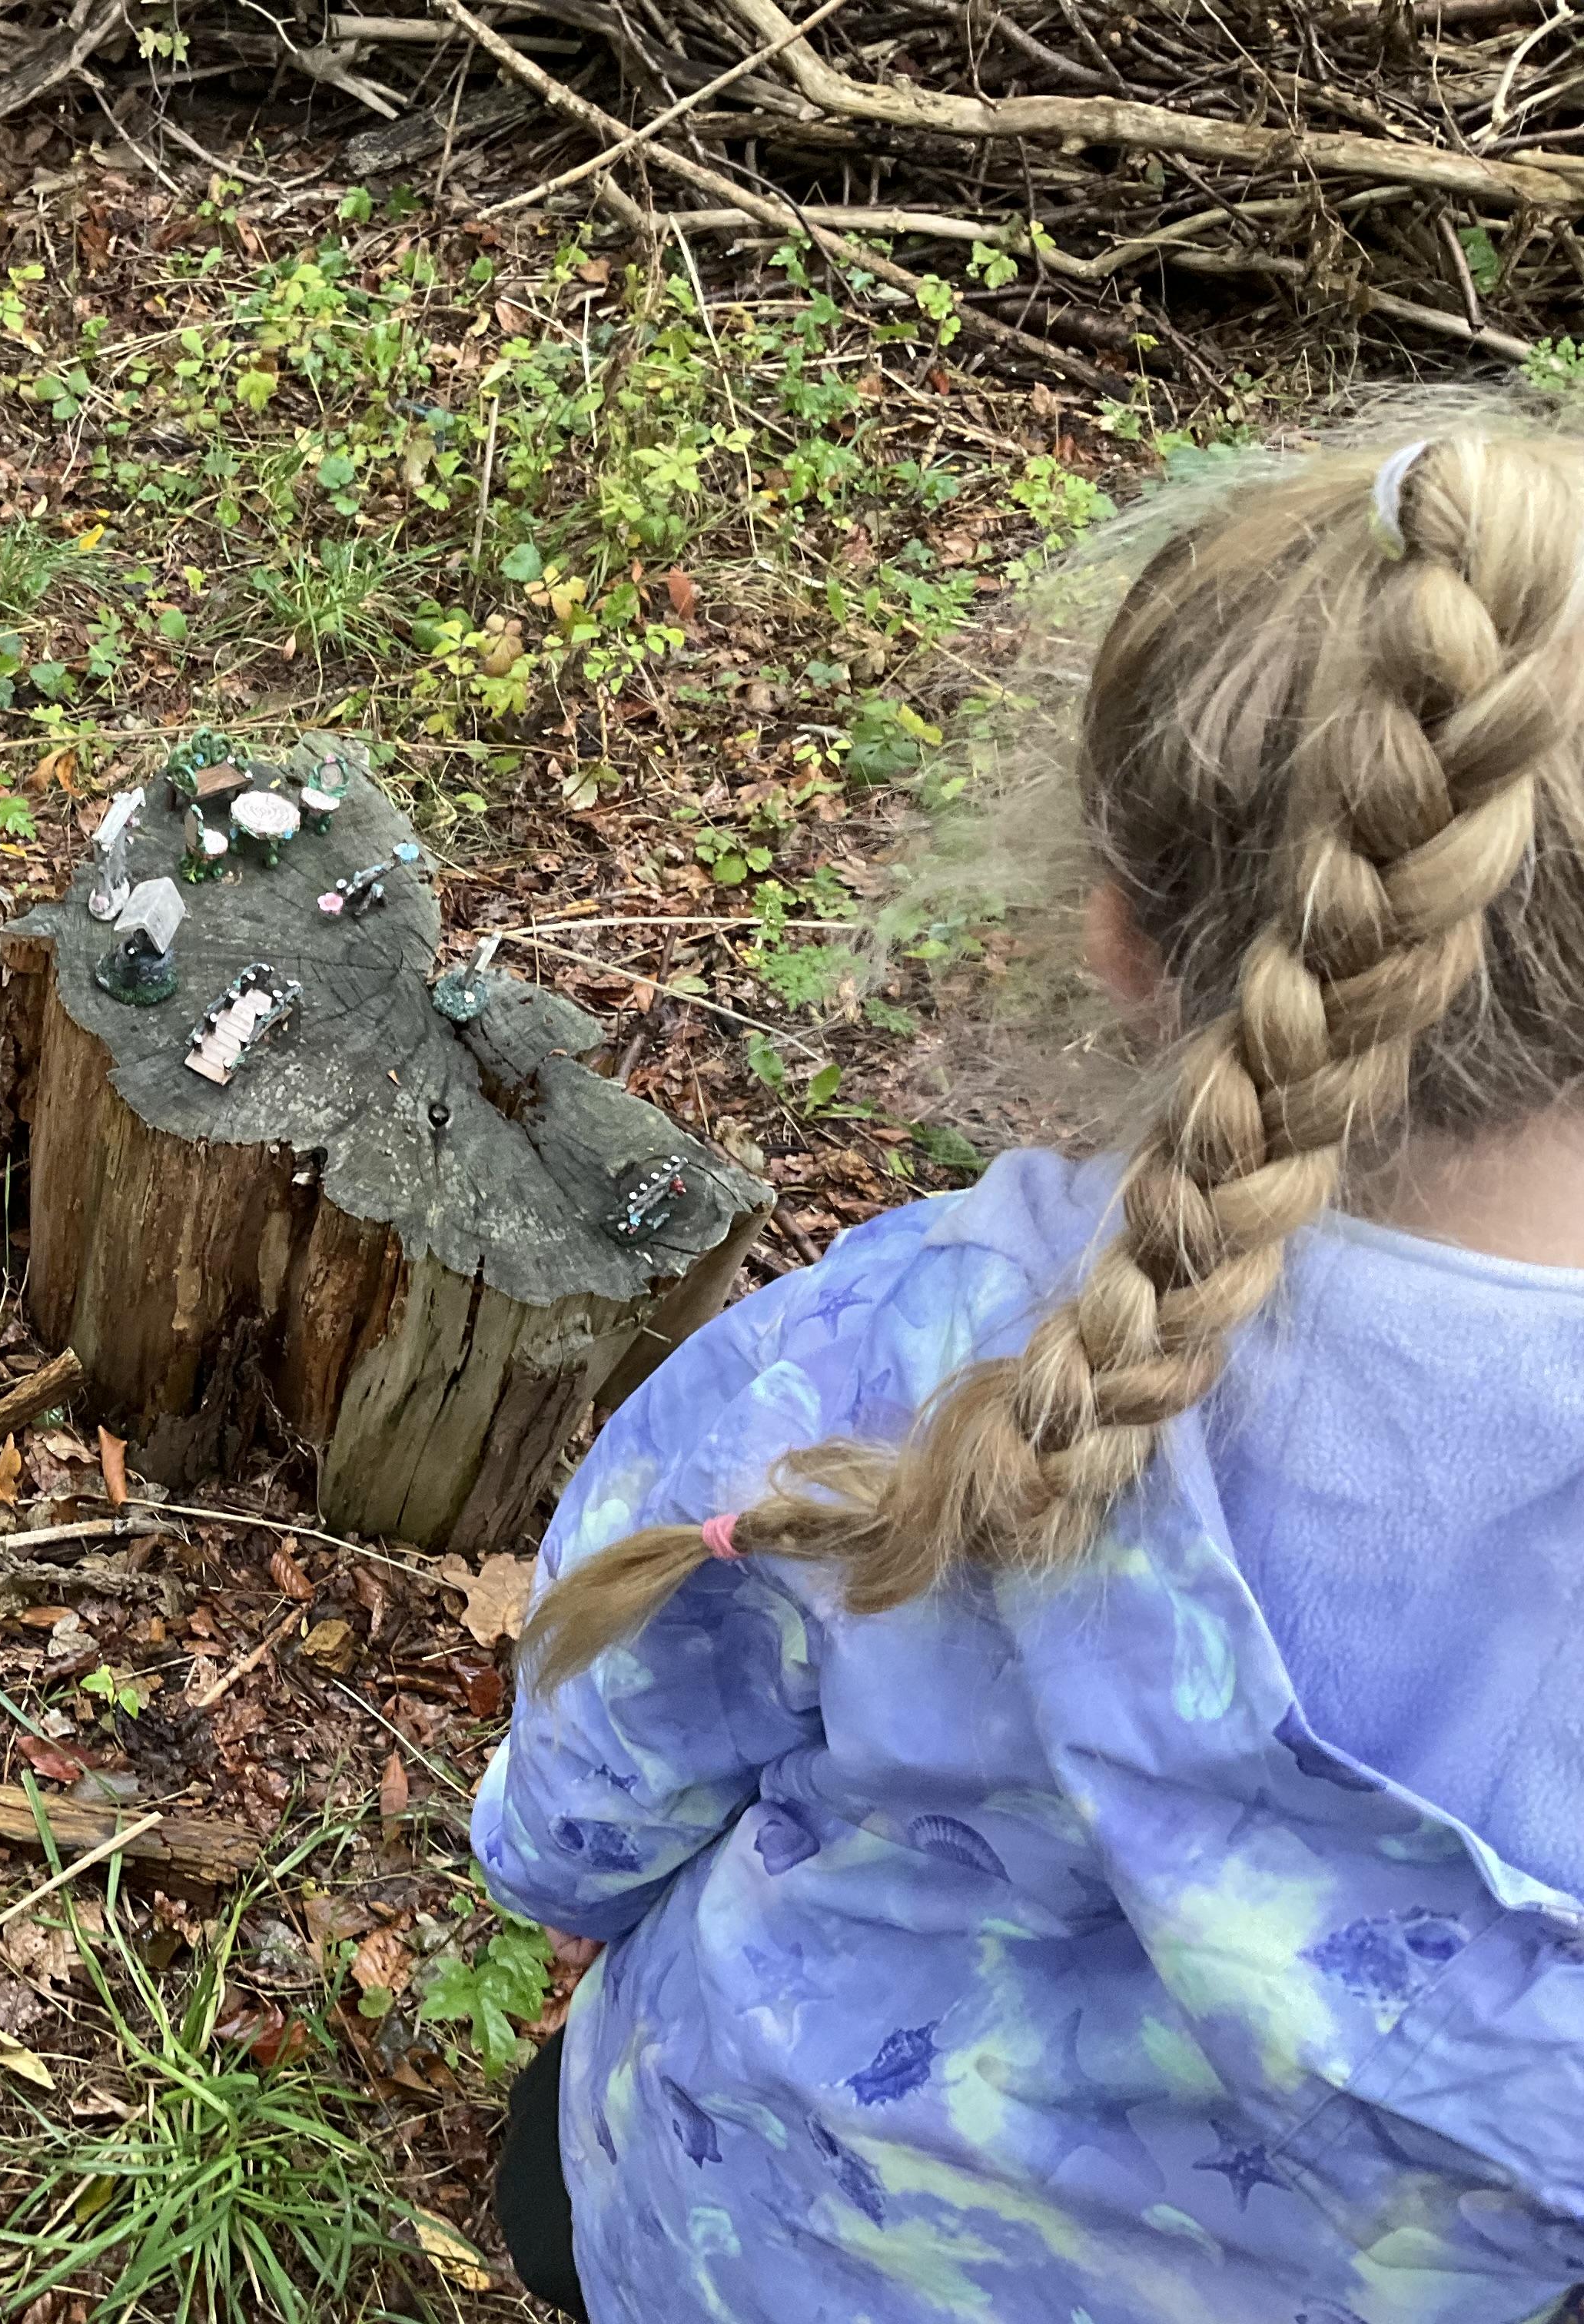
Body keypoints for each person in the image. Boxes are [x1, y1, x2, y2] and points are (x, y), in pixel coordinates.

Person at [473, 428, 1584, 2324]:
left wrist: (548, 1871)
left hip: (743, 2237)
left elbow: (589, 1790)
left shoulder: (902, 1352)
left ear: (1123, 935)